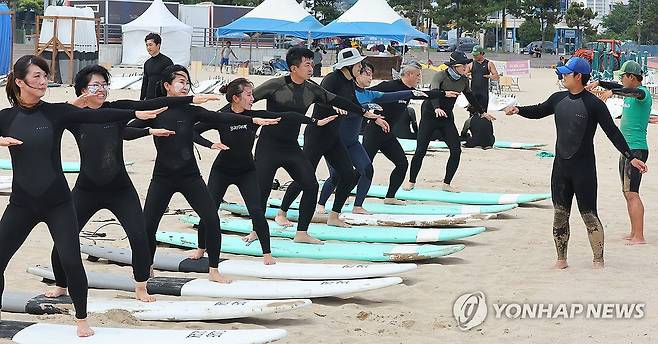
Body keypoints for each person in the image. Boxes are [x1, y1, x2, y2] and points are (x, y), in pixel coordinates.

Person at [0, 55, 163, 337]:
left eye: (45, 75)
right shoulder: (5, 118)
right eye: (37, 76)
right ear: (19, 81)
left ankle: (81, 319)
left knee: (72, 260)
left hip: (57, 202)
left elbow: (97, 114)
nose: (44, 81)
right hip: (21, 203)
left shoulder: (55, 112)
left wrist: (135, 114)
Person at [44, 64, 221, 303]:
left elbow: (145, 104)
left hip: (120, 189)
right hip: (87, 188)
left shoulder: (115, 108)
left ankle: (140, 287)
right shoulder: (73, 117)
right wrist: (72, 106)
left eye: (104, 85)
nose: (101, 90)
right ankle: (61, 285)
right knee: (64, 239)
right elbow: (48, 117)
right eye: (95, 85)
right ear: (82, 90)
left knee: (139, 237)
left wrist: (191, 98)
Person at [128, 65, 279, 283]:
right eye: (180, 82)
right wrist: (149, 130)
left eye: (187, 82)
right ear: (167, 86)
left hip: (190, 176)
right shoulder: (156, 111)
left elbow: (223, 119)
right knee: (148, 225)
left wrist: (251, 120)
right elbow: (127, 132)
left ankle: (214, 270)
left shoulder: (191, 110)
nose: (185, 86)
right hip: (162, 177)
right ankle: (148, 267)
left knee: (211, 219)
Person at [505, 57, 648, 269]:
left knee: (589, 215)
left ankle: (598, 260)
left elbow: (612, 132)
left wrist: (631, 157)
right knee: (560, 214)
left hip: (584, 170)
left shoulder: (594, 104)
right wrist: (519, 110)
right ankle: (561, 259)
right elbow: (538, 110)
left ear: (578, 76)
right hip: (561, 169)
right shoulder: (557, 99)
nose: (563, 76)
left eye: (566, 73)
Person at [192, 78, 336, 264]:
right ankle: (200, 248)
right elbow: (194, 131)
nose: (253, 98)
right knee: (209, 211)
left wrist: (314, 121)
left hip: (246, 170)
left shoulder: (256, 116)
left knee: (256, 211)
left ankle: (267, 254)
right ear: (236, 98)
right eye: (249, 94)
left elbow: (287, 115)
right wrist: (210, 144)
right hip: (222, 170)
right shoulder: (222, 116)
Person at [252, 47, 376, 244]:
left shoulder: (312, 87)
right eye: (307, 64)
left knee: (313, 183)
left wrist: (365, 113)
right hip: (275, 144)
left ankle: (303, 232)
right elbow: (247, 100)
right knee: (263, 188)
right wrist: (244, 120)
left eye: (312, 63)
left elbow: (336, 99)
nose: (312, 67)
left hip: (296, 144)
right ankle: (261, 226)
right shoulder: (276, 85)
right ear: (294, 68)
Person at [277, 48, 385, 228]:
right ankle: (282, 212)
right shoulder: (331, 79)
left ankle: (334, 216)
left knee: (348, 175)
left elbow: (352, 103)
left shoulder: (349, 82)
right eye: (358, 64)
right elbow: (320, 99)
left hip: (334, 136)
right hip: (317, 135)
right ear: (348, 66)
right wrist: (333, 107)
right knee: (305, 176)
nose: (361, 67)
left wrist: (369, 114)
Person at [317, 62, 432, 214]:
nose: (371, 77)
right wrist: (369, 115)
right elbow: (331, 102)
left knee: (367, 170)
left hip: (352, 142)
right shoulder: (347, 94)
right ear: (357, 75)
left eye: (372, 74)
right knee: (337, 176)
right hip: (335, 141)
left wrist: (418, 94)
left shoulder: (368, 94)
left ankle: (358, 206)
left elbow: (391, 96)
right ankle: (321, 204)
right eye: (367, 74)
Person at [406, 52, 494, 193]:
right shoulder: (440, 76)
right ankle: (411, 182)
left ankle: (446, 184)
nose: (466, 66)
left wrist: (482, 112)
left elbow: (470, 97)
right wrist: (437, 108)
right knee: (420, 150)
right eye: (463, 64)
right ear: (455, 66)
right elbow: (434, 92)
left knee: (456, 150)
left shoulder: (464, 80)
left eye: (466, 64)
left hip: (446, 117)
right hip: (430, 115)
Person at [586, 60, 652, 245]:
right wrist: (599, 83)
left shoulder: (642, 93)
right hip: (626, 149)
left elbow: (632, 91)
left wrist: (612, 92)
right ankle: (634, 232)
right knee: (627, 192)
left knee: (633, 193)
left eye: (623, 76)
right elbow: (618, 87)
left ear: (631, 77)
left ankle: (639, 236)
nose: (621, 79)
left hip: (637, 149)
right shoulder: (628, 92)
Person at [461, 45, 499, 148]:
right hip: (473, 94)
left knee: (483, 115)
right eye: (473, 55)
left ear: (482, 54)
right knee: (472, 116)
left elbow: (496, 76)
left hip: (483, 94)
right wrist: (467, 75)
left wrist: (489, 76)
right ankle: (474, 138)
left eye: (476, 55)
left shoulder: (489, 64)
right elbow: (464, 75)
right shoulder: (471, 64)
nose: (474, 56)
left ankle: (483, 138)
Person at [141, 33, 173, 100]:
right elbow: (145, 83)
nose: (148, 48)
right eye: (146, 45)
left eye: (150, 45)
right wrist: (141, 100)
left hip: (162, 100)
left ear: (158, 45)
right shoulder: (147, 63)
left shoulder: (167, 62)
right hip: (149, 100)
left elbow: (171, 82)